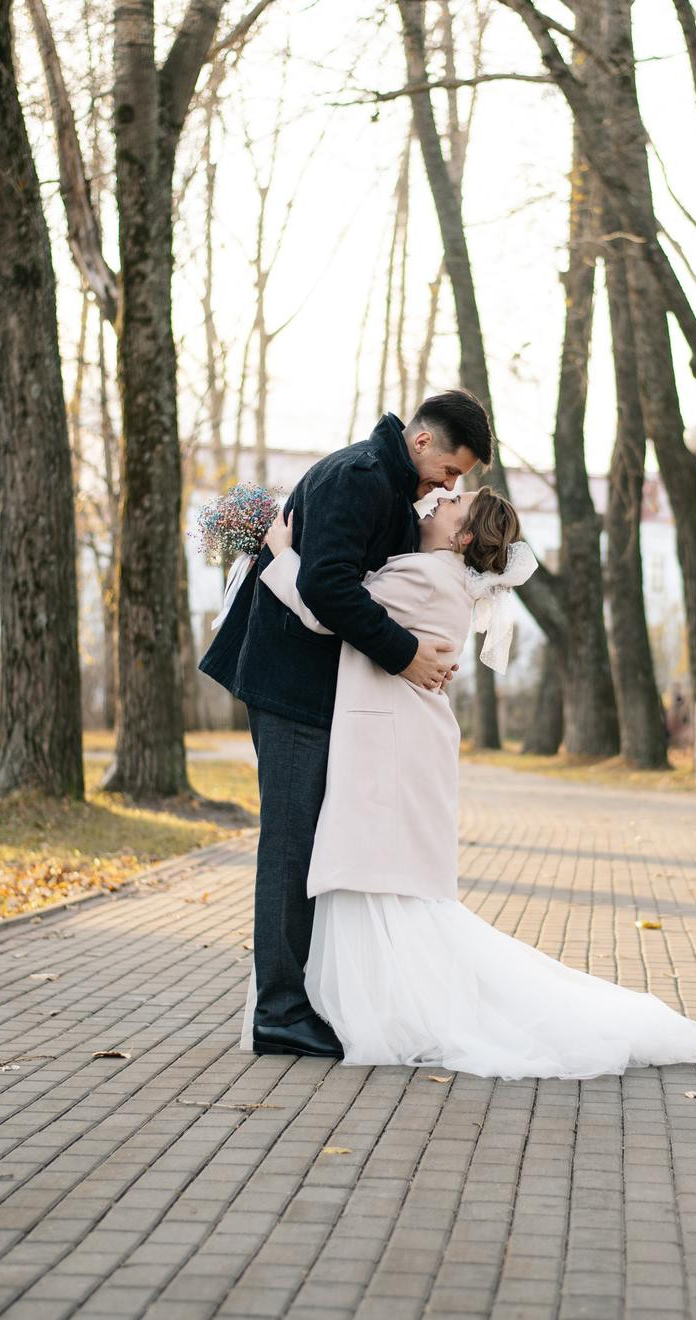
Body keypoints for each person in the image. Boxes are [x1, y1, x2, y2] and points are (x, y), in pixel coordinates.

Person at [249, 485, 696, 1080]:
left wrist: (279, 551)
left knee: (379, 878)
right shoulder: (436, 571)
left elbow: (327, 609)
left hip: (392, 749)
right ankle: (373, 1006)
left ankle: (386, 1010)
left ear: (463, 535)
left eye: (452, 503)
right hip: (398, 742)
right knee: (379, 882)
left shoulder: (428, 575)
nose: (436, 501)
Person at [198, 392, 485, 1058]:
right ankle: (279, 1010)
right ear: (420, 442)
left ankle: (302, 998)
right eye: (449, 470)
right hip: (288, 682)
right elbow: (327, 589)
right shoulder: (360, 477)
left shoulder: (388, 485)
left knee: (307, 842)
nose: (450, 486)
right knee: (291, 844)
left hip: (313, 685)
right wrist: (407, 654)